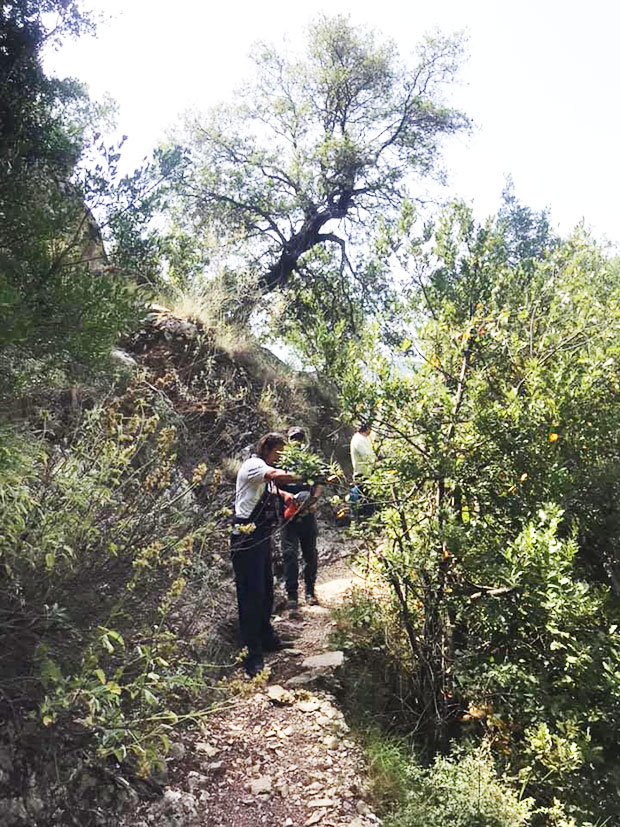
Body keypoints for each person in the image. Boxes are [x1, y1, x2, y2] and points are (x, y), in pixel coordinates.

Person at [231, 432, 301, 677]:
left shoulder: (265, 475)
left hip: (260, 538)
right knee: (251, 596)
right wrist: (308, 476)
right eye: (279, 452)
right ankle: (252, 657)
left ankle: (267, 639)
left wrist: (287, 496)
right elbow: (274, 476)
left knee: (265, 592)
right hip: (245, 538)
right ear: (267, 449)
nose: (281, 457)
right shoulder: (254, 465)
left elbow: (271, 489)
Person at [280, 426, 321, 612]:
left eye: (299, 438)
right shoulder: (282, 462)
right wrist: (286, 500)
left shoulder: (309, 461)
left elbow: (319, 481)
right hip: (288, 516)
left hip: (307, 515)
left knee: (310, 554)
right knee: (289, 555)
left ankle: (310, 592)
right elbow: (273, 485)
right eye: (293, 438)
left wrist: (314, 500)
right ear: (288, 440)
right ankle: (292, 596)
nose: (297, 442)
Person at [349, 423, 376, 517]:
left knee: (370, 502)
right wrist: (377, 462)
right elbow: (367, 457)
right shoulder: (358, 439)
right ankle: (366, 523)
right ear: (367, 428)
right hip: (362, 475)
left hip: (368, 474)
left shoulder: (364, 438)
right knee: (366, 503)